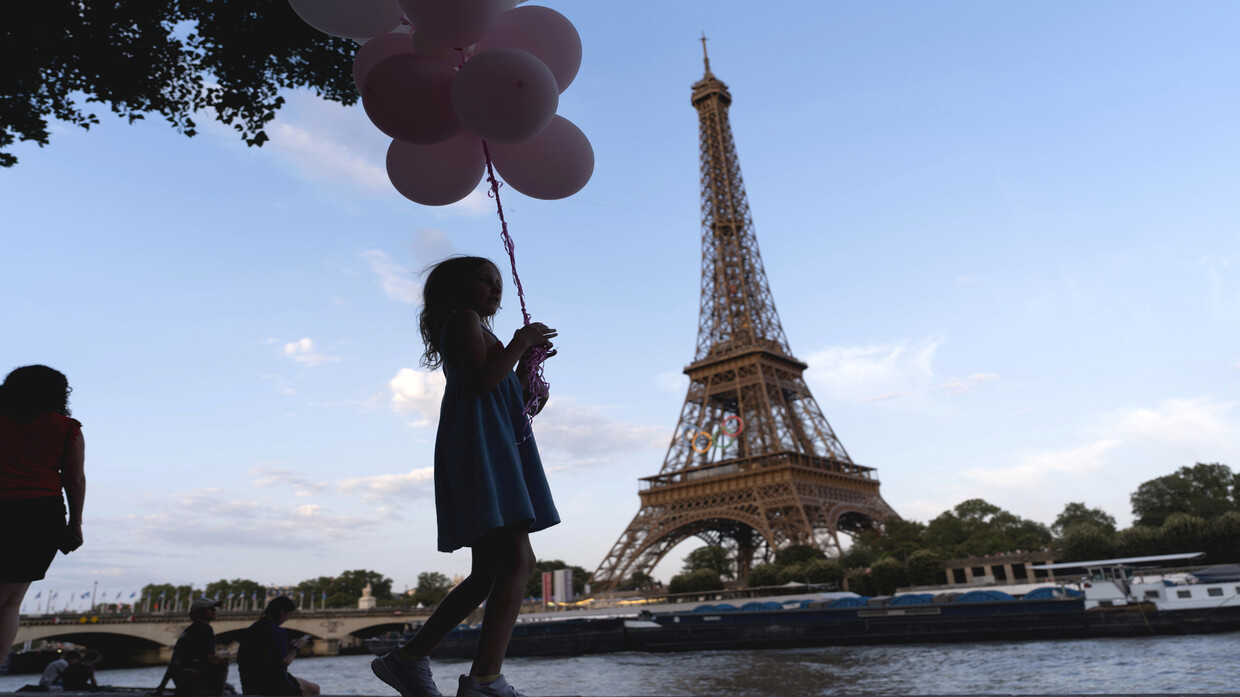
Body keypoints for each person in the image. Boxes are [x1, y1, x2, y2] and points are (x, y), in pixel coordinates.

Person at [370, 256, 560, 697]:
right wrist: (521, 343)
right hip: (483, 449)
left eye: (498, 282)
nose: (496, 288)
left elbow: (500, 393)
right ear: (457, 289)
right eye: (484, 280)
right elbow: (483, 382)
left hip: (486, 446)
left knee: (489, 571)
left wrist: (528, 382)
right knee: (518, 560)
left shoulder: (477, 330)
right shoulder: (464, 319)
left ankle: (411, 658)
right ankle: (483, 678)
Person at [0, 366, 85, 657]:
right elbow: (74, 480)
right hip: (40, 514)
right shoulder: (67, 428)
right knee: (10, 602)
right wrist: (75, 523)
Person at [237, 596, 318, 696]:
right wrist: (296, 648)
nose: (287, 619)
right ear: (282, 612)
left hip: (250, 686)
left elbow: (265, 654)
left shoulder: (252, 629)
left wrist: (287, 646)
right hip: (275, 687)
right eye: (288, 614)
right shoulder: (277, 631)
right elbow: (284, 662)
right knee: (315, 688)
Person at [154, 598, 229, 696]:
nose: (214, 610)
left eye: (214, 608)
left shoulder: (188, 631)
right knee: (229, 689)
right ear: (197, 614)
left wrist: (161, 688)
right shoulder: (206, 629)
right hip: (197, 683)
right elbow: (208, 660)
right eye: (210, 608)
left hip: (183, 682)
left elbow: (174, 663)